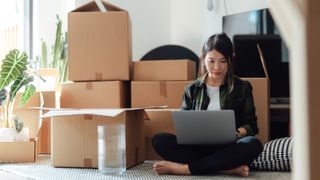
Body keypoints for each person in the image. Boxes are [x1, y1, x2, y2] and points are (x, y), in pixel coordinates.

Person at [151, 33, 263, 177]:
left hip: (227, 148)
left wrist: (237, 132)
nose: (217, 67)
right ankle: (225, 169)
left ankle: (185, 169)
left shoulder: (243, 87)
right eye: (211, 61)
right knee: (159, 140)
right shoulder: (191, 89)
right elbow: (183, 125)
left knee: (254, 144)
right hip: (197, 148)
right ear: (203, 58)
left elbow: (251, 125)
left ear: (230, 59)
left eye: (223, 61)